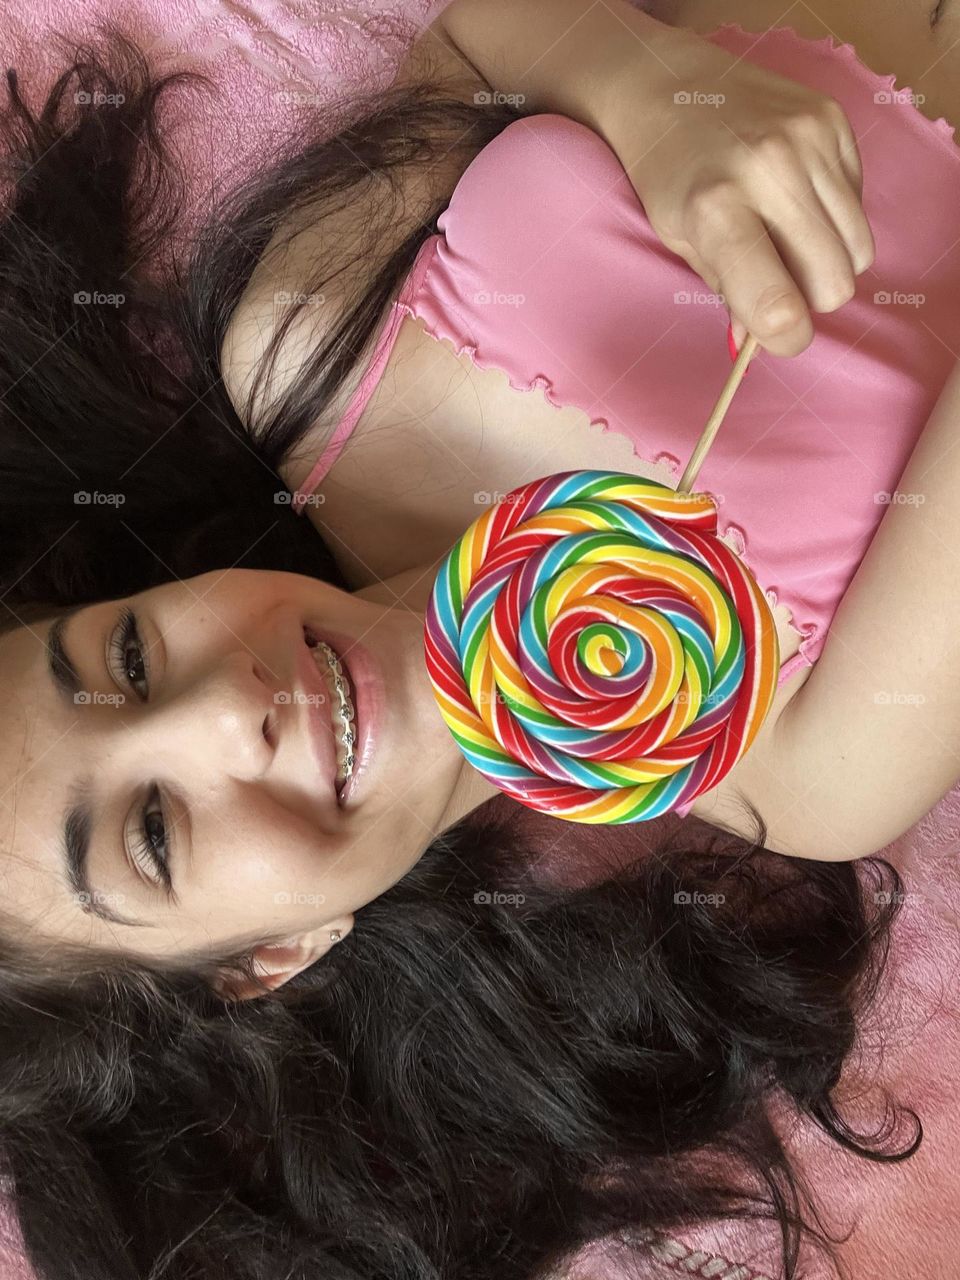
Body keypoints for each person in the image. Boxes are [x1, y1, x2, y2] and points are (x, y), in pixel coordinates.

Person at [0, 0, 946, 1275]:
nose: (222, 708)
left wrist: (649, 83)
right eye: (155, 830)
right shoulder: (810, 762)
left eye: (122, 661)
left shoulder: (295, 342)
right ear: (272, 959)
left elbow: (493, 31)